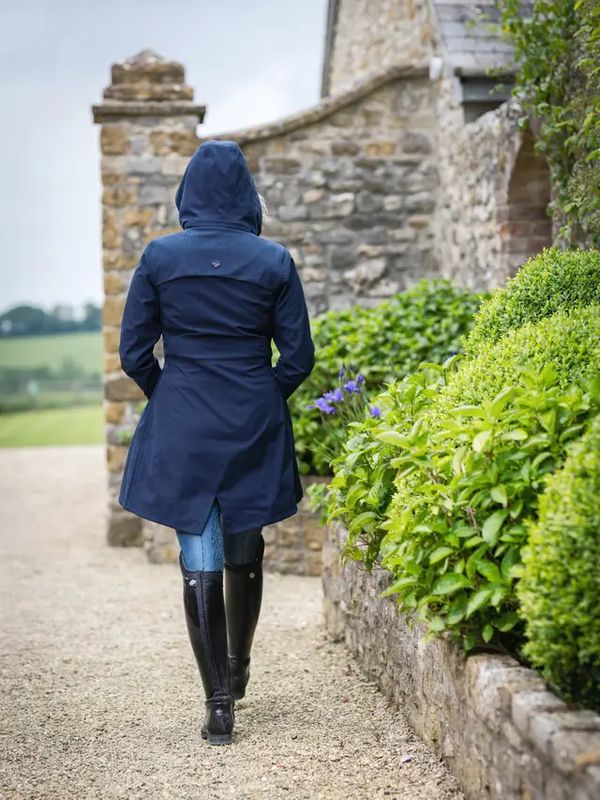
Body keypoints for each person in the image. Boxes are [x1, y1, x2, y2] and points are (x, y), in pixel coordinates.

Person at [117, 140, 316, 745]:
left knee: (198, 557)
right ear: (246, 194)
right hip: (251, 418)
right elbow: (299, 358)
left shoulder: (159, 257)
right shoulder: (274, 260)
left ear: (189, 194)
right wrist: (263, 394)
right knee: (244, 546)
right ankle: (238, 666)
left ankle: (219, 706)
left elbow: (133, 353)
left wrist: (170, 395)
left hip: (184, 421)